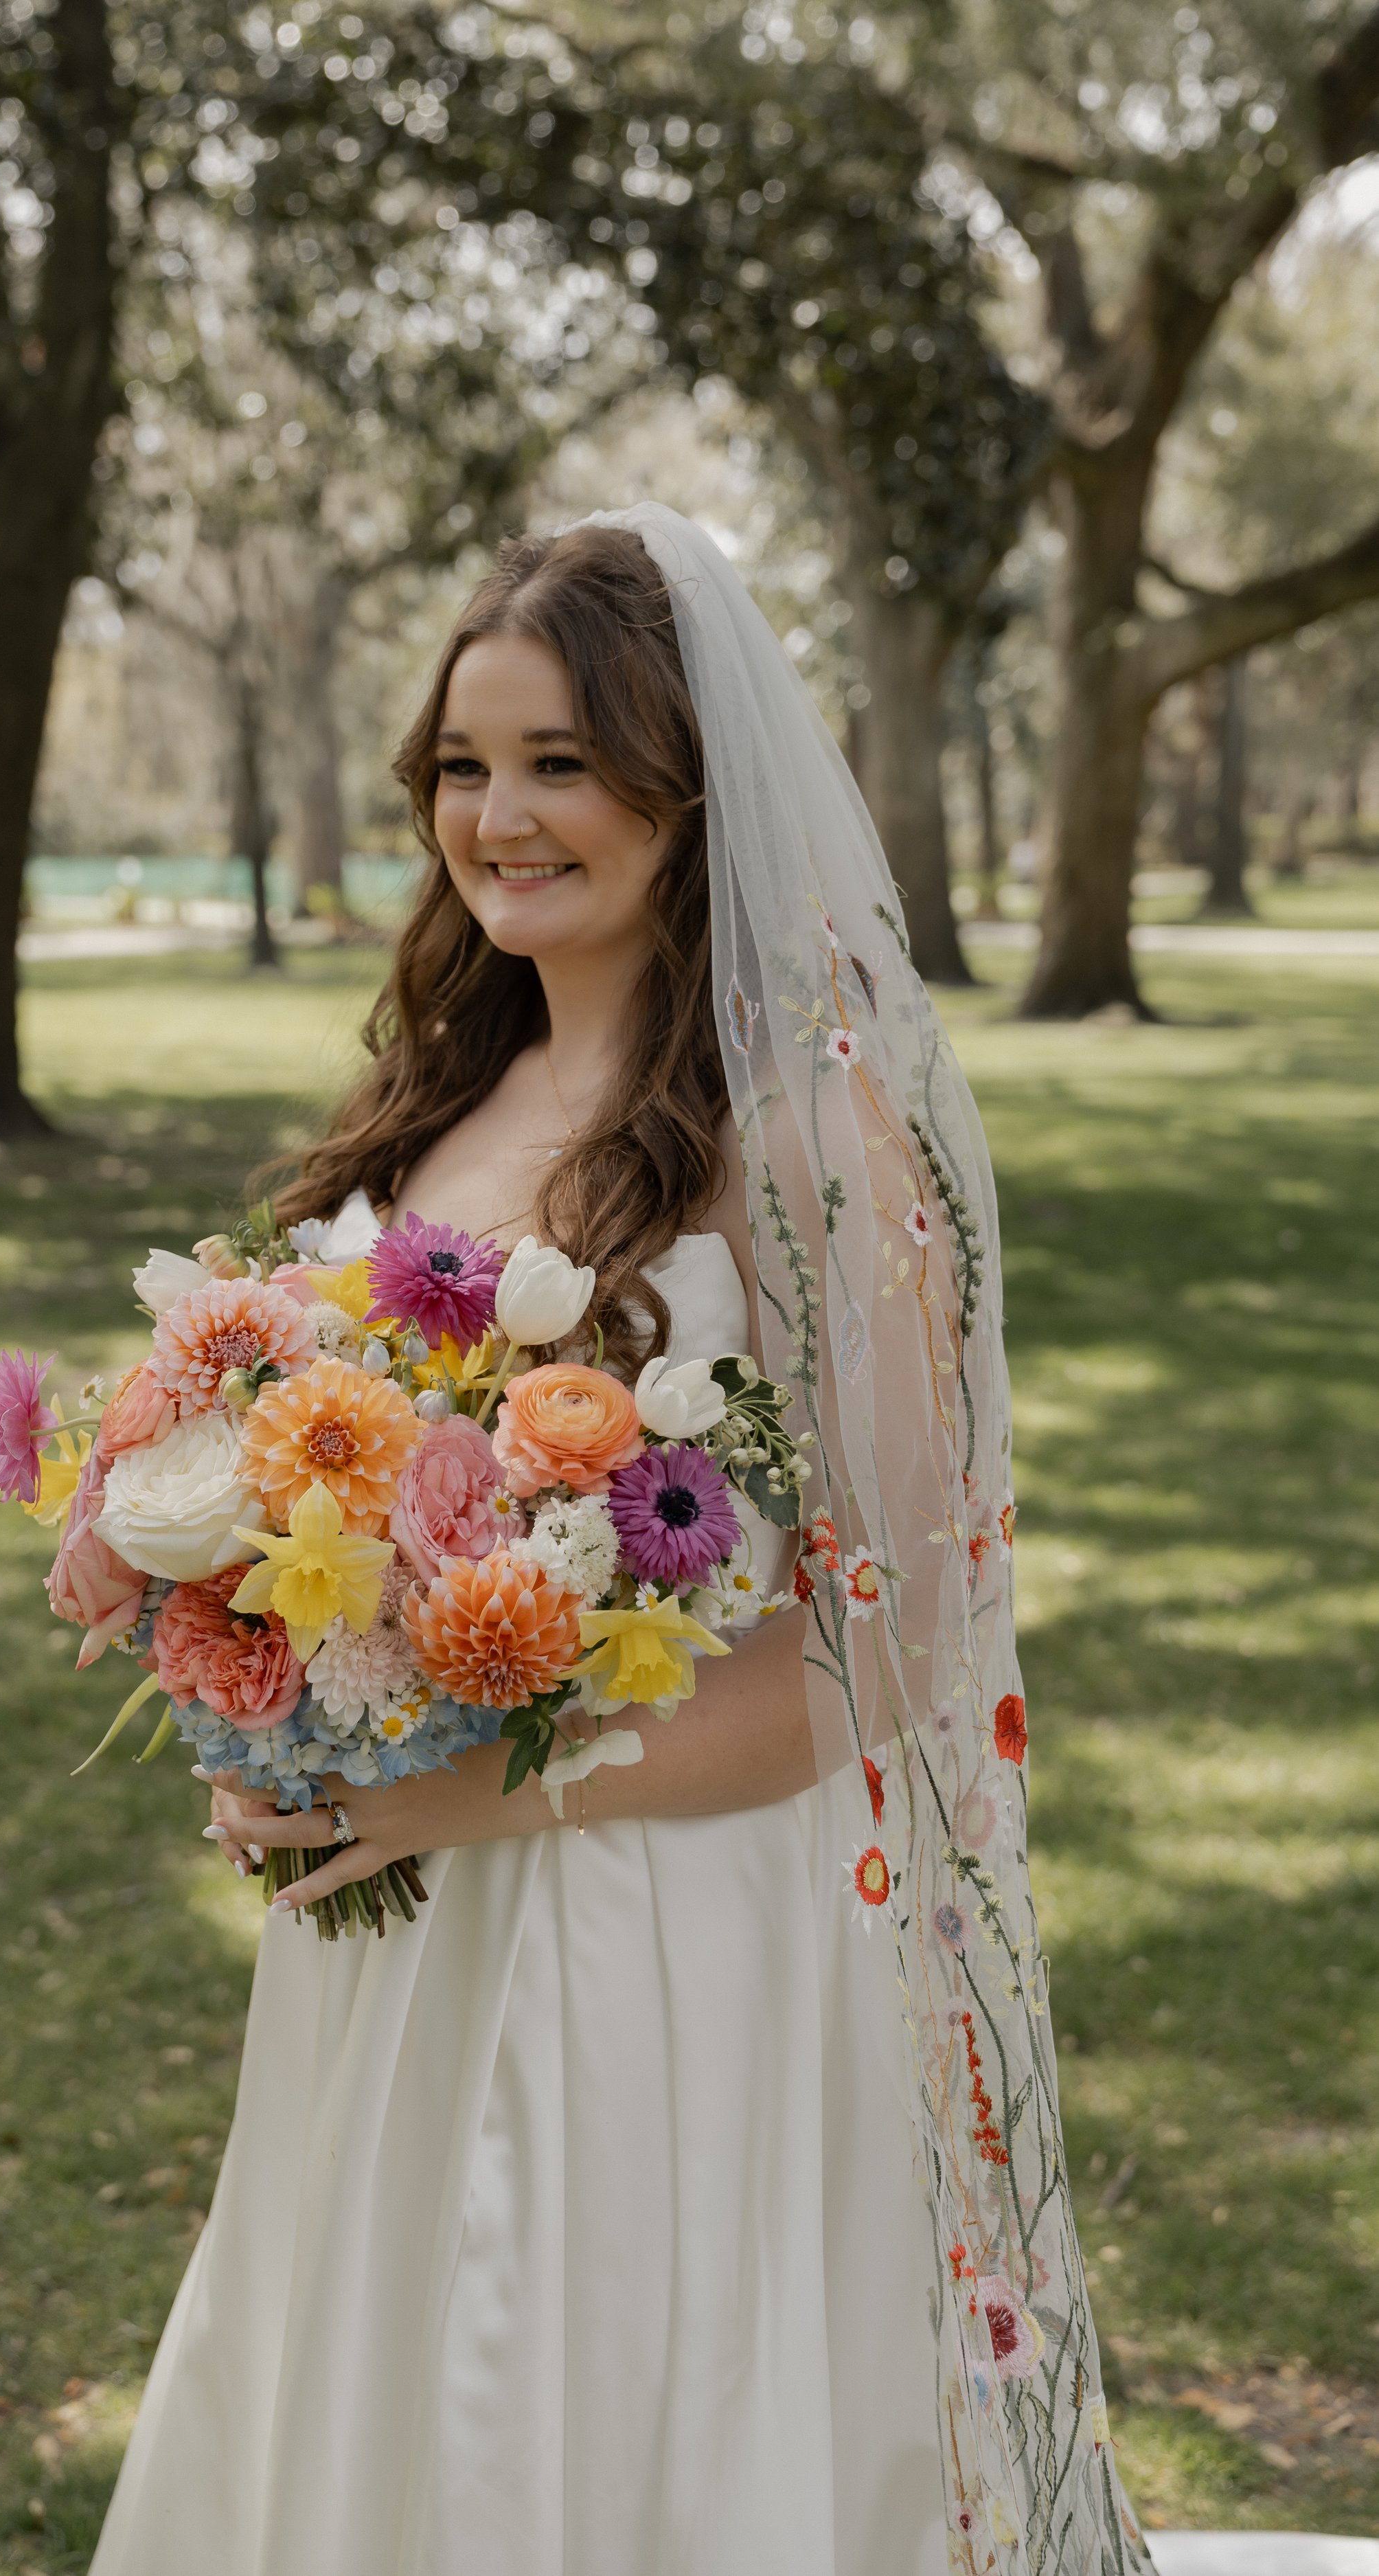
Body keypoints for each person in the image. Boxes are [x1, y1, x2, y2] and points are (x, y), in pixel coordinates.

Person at [89, 510, 1147, 2576]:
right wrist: (248, 1635)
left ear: (686, 780)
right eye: (464, 767)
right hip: (401, 1910)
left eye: (561, 761)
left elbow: (903, 1639)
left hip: (658, 1923)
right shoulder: (436, 1088)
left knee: (596, 2404)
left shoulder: (815, 1127)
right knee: (382, 2377)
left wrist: (491, 1793)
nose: (499, 816)